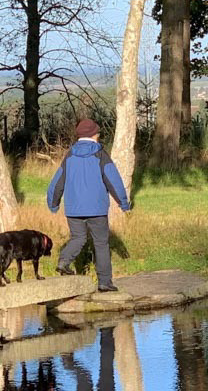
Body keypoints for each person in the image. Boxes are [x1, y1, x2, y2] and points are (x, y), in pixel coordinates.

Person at [47, 118, 130, 292]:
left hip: (73, 209)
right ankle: (104, 282)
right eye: (98, 133)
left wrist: (53, 203)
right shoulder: (100, 154)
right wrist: (123, 202)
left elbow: (57, 182)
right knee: (101, 243)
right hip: (97, 209)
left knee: (78, 238)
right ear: (94, 135)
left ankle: (64, 260)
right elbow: (113, 180)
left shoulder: (69, 155)